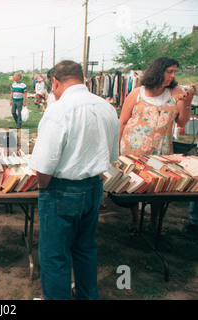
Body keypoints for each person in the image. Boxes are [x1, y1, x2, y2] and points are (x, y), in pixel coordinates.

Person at [28, 60, 120, 300]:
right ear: (83, 79)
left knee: (55, 255)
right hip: (93, 186)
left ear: (55, 82)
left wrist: (44, 188)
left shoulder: (59, 109)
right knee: (85, 249)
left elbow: (44, 164)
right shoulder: (106, 107)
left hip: (62, 189)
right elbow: (111, 155)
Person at [119, 56, 195, 230]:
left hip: (161, 151)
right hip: (133, 148)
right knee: (134, 184)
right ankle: (135, 219)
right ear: (157, 71)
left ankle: (154, 222)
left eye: (174, 72)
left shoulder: (176, 93)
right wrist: (116, 149)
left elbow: (182, 122)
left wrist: (187, 103)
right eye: (169, 71)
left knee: (159, 187)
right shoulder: (137, 93)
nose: (172, 75)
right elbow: (122, 121)